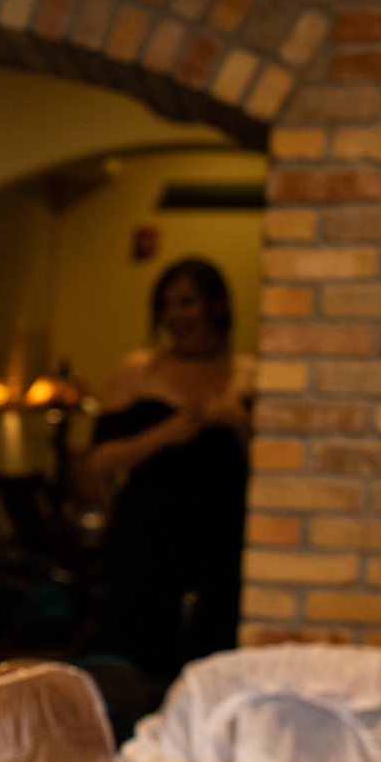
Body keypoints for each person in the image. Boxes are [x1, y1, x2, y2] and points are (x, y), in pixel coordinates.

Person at [84, 256, 254, 684]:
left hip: (221, 538)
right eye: (167, 306)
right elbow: (99, 459)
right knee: (138, 649)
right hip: (147, 536)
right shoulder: (137, 371)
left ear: (217, 306)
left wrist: (238, 423)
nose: (175, 316)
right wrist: (163, 435)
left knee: (212, 650)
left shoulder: (251, 374)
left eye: (186, 303)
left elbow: (278, 474)